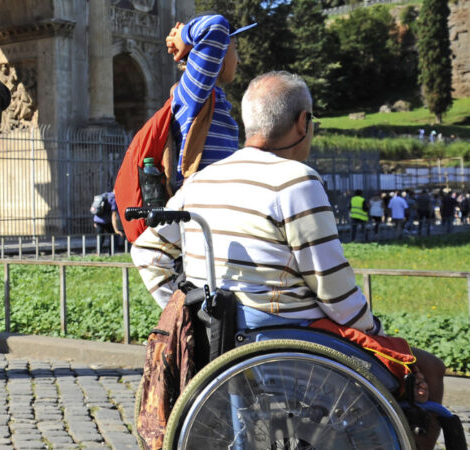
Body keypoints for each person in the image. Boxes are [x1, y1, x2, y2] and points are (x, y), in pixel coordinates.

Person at [131, 71, 445, 450]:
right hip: (288, 342)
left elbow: (146, 251)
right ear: (303, 122)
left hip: (218, 340)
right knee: (427, 368)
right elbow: (334, 291)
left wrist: (190, 315)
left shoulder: (199, 182)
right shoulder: (295, 180)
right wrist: (374, 331)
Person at [165, 12, 255, 186]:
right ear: (219, 49)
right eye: (235, 48)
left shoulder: (207, 96)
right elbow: (216, 25)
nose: (239, 61)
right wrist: (183, 35)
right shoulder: (195, 91)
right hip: (200, 207)